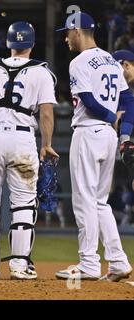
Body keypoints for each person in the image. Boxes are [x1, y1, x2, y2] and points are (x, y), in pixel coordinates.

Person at [0, 21, 59, 280]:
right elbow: (47, 113)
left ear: (8, 44)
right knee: (23, 205)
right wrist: (47, 144)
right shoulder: (42, 73)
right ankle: (19, 265)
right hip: (22, 141)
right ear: (31, 43)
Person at [55, 12, 132, 282]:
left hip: (88, 132)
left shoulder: (79, 62)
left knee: (85, 201)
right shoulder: (111, 59)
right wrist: (122, 130)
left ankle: (88, 263)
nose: (66, 38)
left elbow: (87, 100)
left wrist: (112, 118)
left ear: (78, 31)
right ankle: (119, 261)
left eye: (67, 33)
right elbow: (128, 100)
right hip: (108, 138)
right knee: (100, 203)